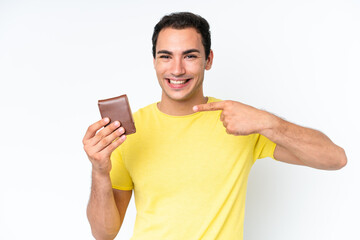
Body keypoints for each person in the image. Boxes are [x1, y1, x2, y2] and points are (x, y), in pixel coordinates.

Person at [83, 12, 347, 240]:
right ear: (154, 61)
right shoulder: (127, 131)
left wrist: (268, 122)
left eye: (190, 56)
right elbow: (104, 233)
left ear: (208, 60)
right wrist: (99, 171)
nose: (176, 69)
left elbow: (334, 159)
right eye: (166, 56)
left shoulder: (239, 121)